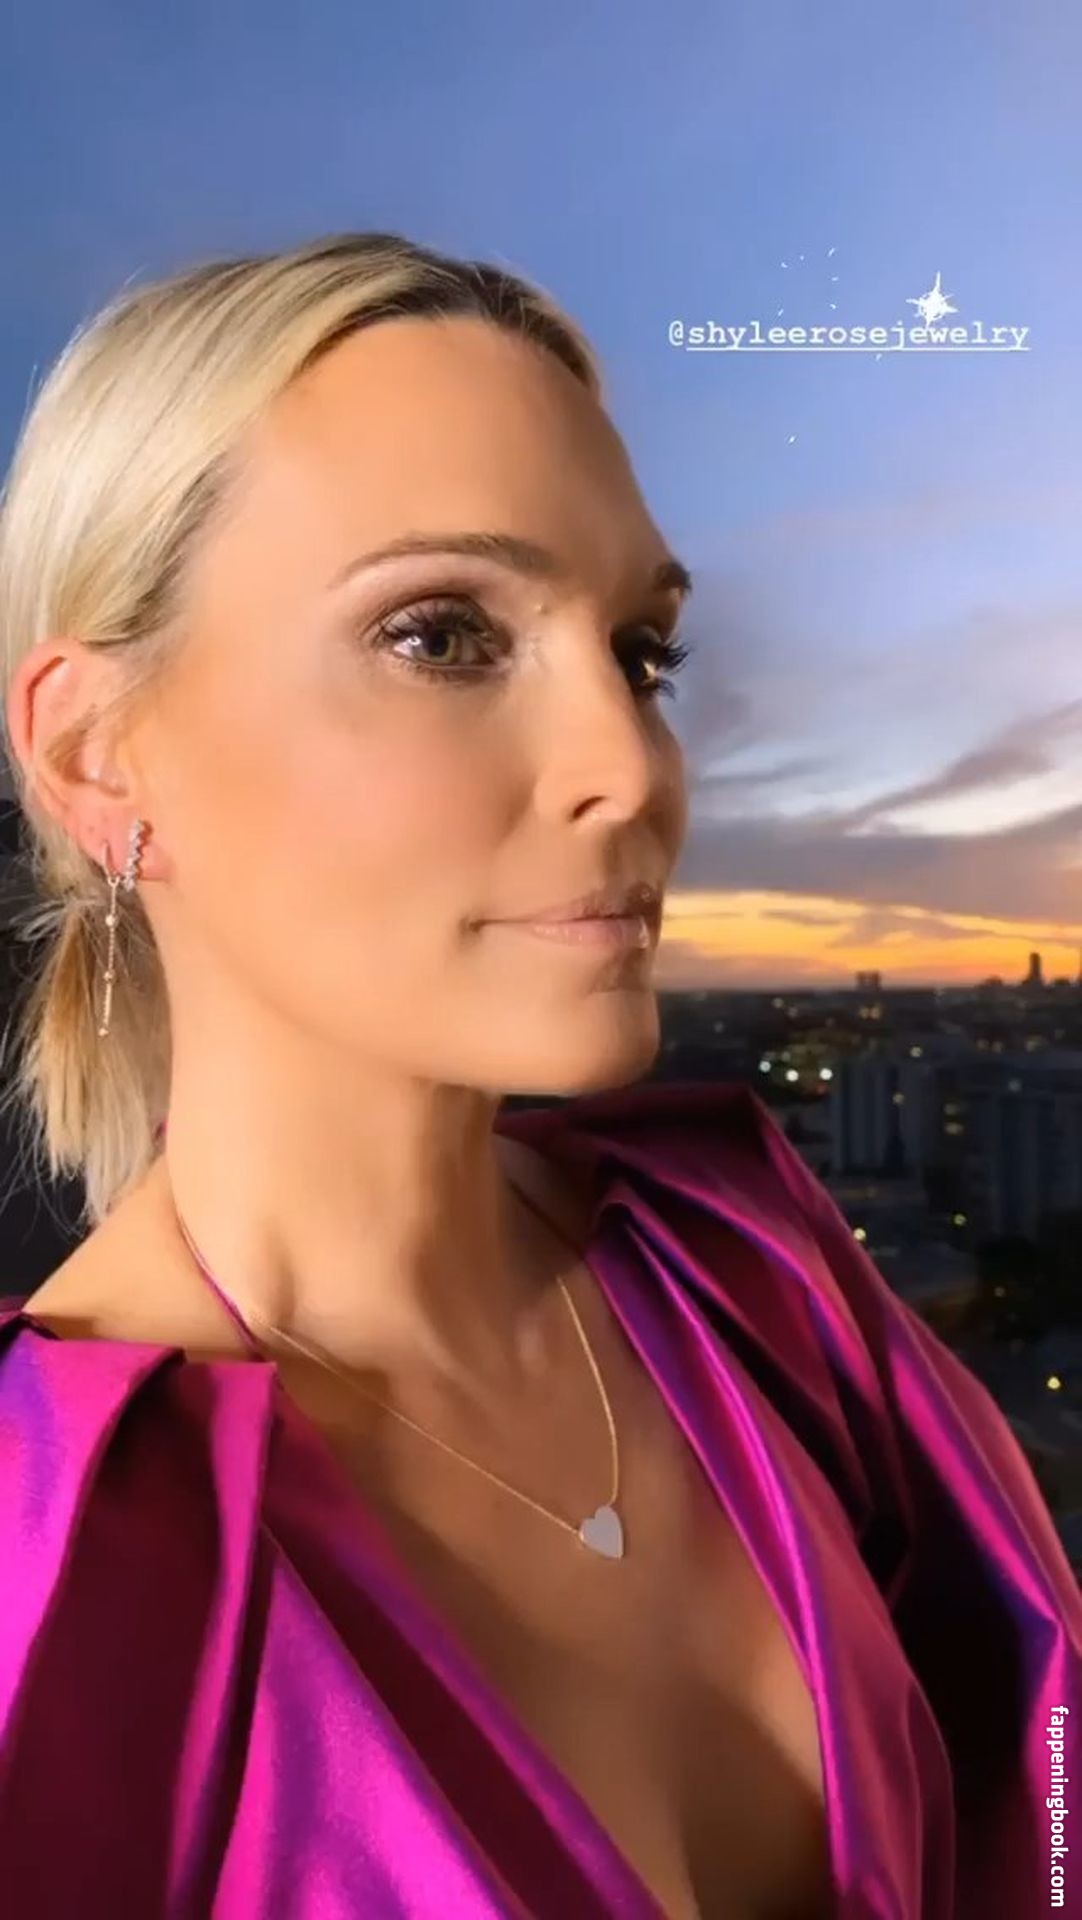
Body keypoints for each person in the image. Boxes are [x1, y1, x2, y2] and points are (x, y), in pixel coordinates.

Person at [0, 231, 1076, 1920]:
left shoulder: (749, 1278)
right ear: (95, 752)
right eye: (438, 634)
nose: (630, 768)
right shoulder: (41, 1565)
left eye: (640, 654)